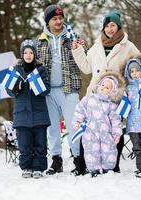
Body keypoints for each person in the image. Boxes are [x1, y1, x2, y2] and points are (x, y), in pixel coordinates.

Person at [71, 9, 141, 172]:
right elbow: (86, 68)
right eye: (107, 26)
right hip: (96, 94)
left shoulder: (127, 46)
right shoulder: (97, 45)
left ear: (118, 27)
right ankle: (85, 166)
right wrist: (78, 50)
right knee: (90, 130)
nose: (109, 29)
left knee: (114, 129)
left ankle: (113, 165)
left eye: (113, 25)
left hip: (115, 95)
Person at [36, 4, 87, 175]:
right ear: (48, 21)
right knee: (53, 129)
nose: (58, 21)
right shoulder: (40, 41)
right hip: (49, 91)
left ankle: (79, 159)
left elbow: (84, 57)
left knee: (74, 126)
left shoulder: (72, 37)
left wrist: (81, 47)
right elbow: (32, 62)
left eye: (60, 18)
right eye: (54, 19)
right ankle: (56, 160)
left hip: (69, 89)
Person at [6, 39, 50, 179]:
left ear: (35, 54)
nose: (28, 55)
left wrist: (37, 84)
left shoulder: (41, 69)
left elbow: (46, 90)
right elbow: (9, 90)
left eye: (31, 52)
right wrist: (16, 87)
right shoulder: (16, 70)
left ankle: (38, 167)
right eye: (26, 52)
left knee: (40, 144)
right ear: (22, 54)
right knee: (24, 144)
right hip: (22, 115)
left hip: (39, 114)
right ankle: (26, 167)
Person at [72, 71, 125, 177]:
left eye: (107, 87)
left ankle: (107, 168)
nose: (103, 88)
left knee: (108, 150)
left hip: (106, 133)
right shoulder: (89, 99)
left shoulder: (112, 105)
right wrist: (77, 121)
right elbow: (80, 110)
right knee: (91, 150)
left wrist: (117, 133)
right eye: (102, 85)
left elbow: (116, 120)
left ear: (112, 91)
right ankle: (94, 169)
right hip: (90, 132)